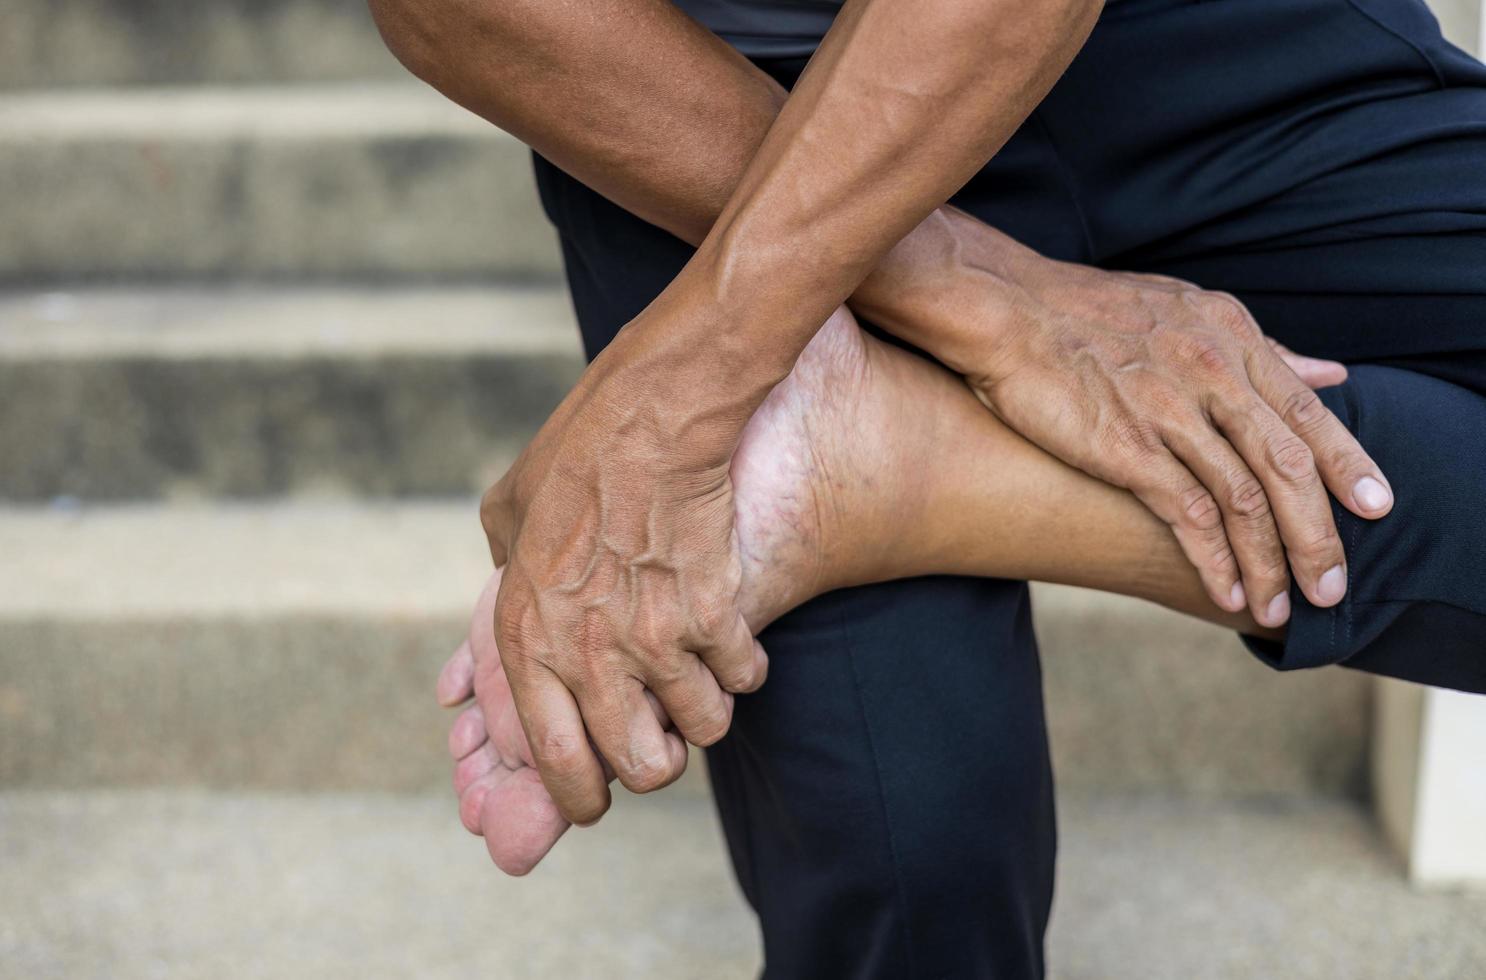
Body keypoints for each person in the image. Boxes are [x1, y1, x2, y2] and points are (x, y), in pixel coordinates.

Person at [368, 0, 1486, 973]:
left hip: (1204, 44)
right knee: (909, 852)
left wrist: (701, 394)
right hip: (692, 107)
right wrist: (990, 303)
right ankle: (875, 465)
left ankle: (907, 475)